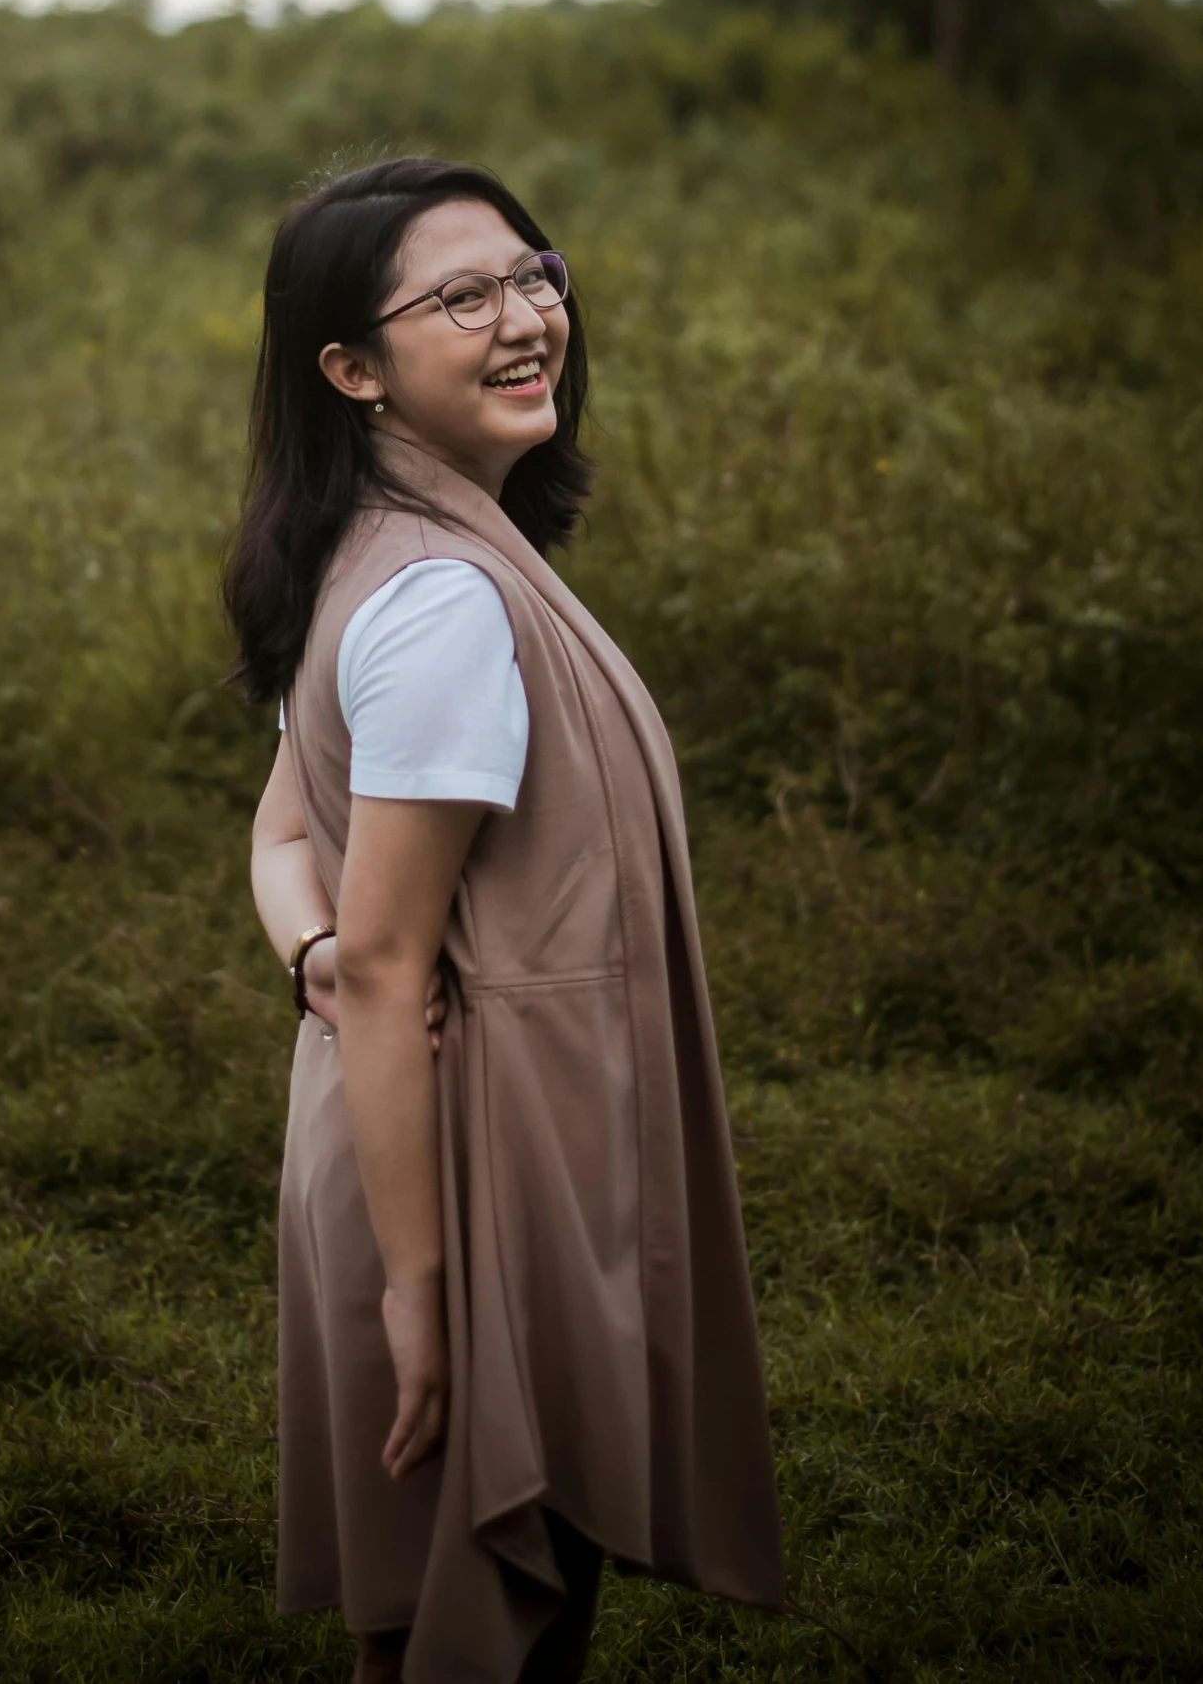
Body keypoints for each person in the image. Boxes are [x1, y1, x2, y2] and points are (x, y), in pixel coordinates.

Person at [227, 158, 782, 1684]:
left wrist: (312, 956)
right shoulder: (440, 601)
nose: (526, 317)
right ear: (351, 369)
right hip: (466, 1167)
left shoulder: (375, 550)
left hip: (387, 1118)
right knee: (493, 1620)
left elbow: (285, 838)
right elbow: (394, 952)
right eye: (459, 298)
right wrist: (425, 1290)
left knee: (418, 1625)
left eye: (530, 273)